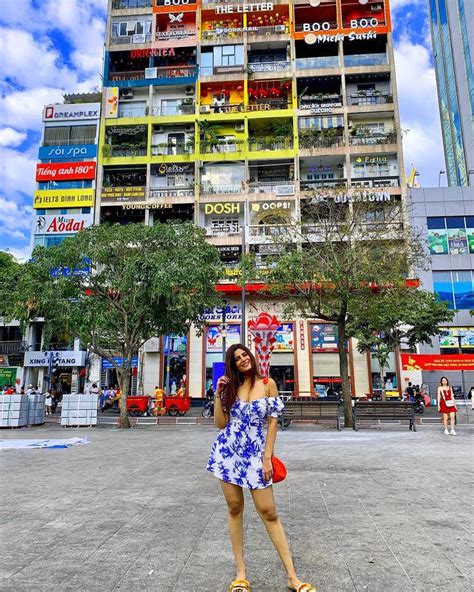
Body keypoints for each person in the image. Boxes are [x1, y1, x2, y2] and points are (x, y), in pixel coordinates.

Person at [207, 344, 316, 592]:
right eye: (237, 358)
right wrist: (218, 393)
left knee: (269, 512)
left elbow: (273, 423)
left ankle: (292, 577)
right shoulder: (231, 388)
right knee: (234, 508)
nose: (243, 359)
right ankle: (241, 574)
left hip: (257, 456)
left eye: (245, 355)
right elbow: (220, 424)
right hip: (228, 454)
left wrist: (267, 458)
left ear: (252, 357)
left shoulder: (267, 383)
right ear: (232, 364)